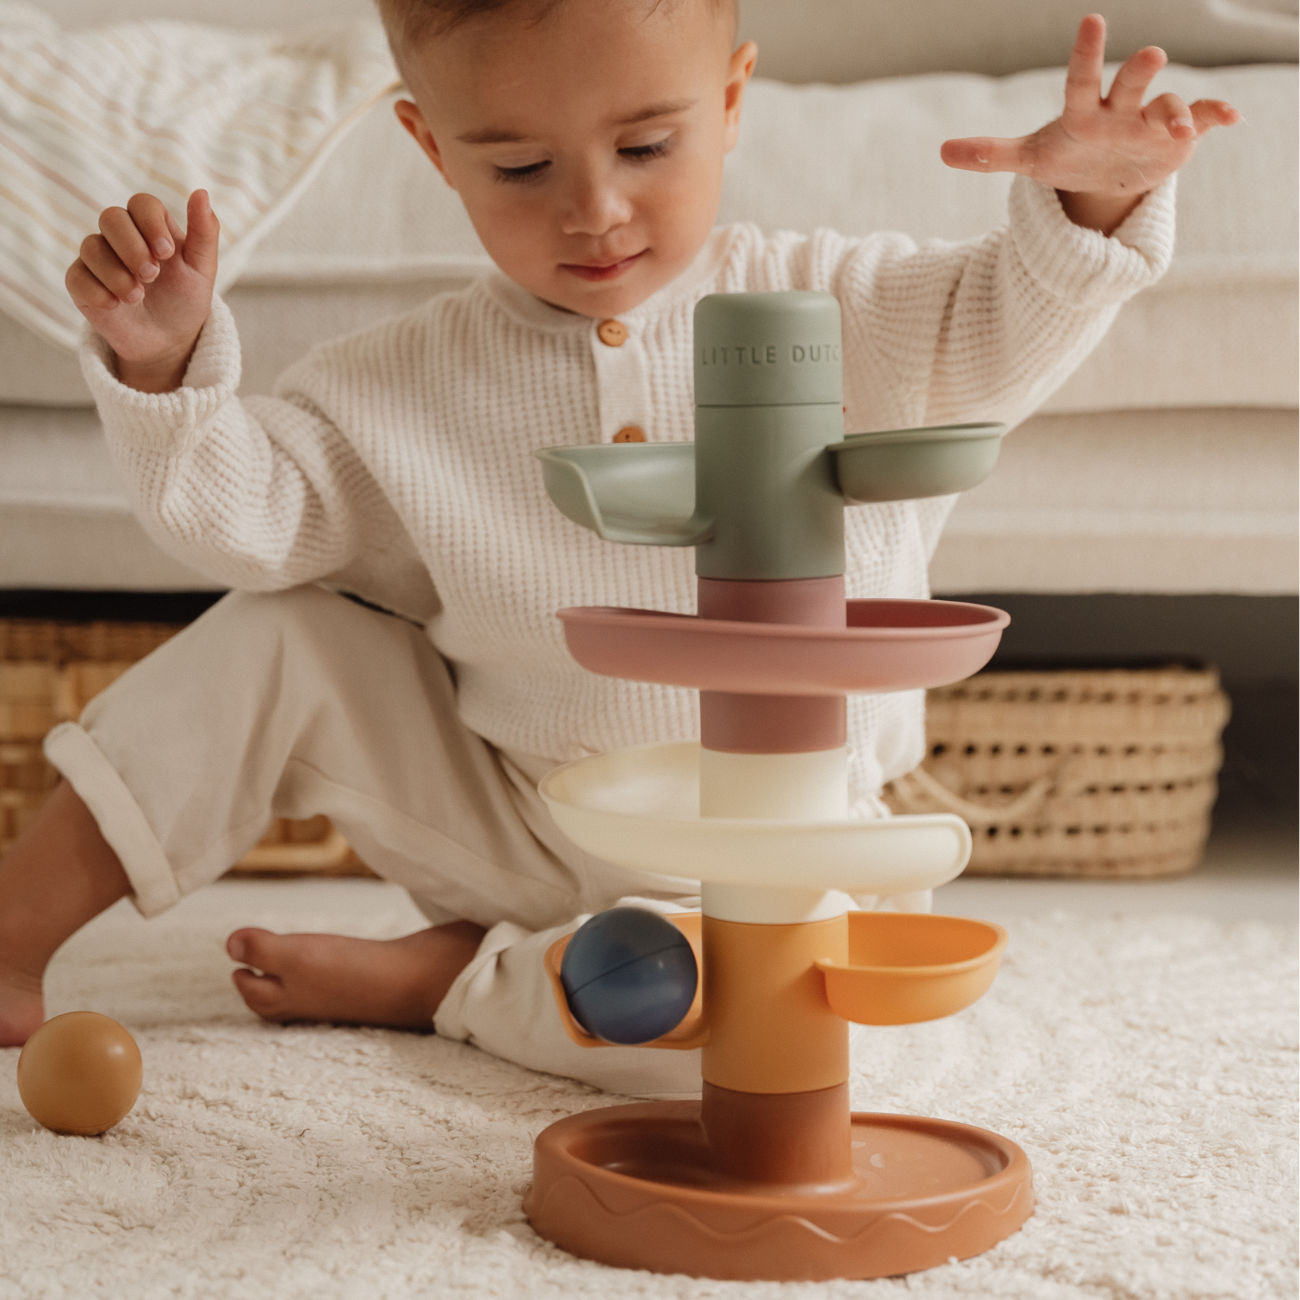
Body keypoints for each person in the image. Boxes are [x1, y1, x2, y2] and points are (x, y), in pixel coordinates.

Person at [0, 0, 1236, 1093]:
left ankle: (453, 985)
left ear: (731, 101)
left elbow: (1006, 322)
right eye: (521, 166)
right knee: (278, 635)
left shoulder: (844, 304)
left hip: (779, 862)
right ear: (432, 147)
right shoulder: (399, 381)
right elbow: (247, 522)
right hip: (517, 820)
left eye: (645, 147)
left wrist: (1094, 202)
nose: (592, 209)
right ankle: (10, 935)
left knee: (752, 1028)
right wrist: (163, 370)